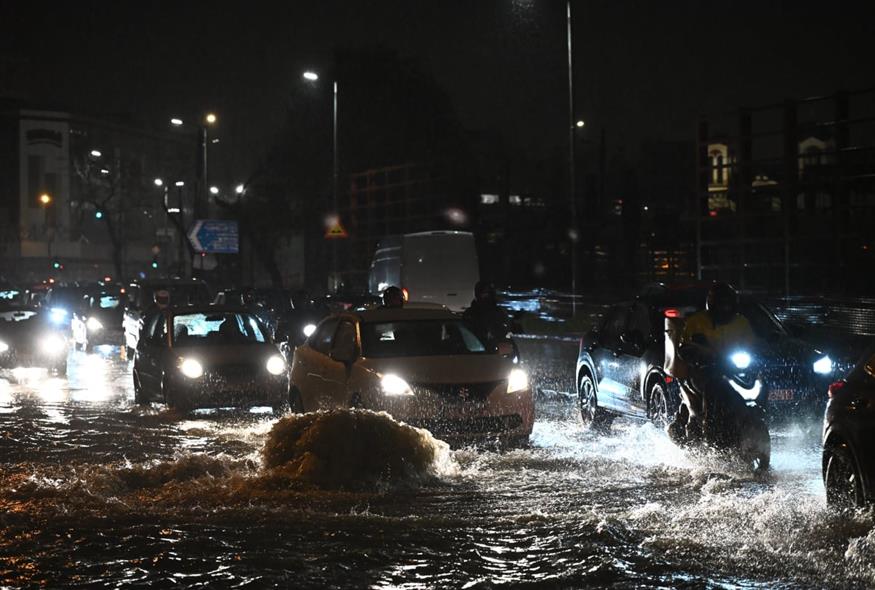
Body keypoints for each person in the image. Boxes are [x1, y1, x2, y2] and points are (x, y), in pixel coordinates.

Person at [672, 282, 756, 443]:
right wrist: (698, 353)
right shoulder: (696, 321)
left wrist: (763, 351)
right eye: (721, 304)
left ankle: (755, 416)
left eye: (728, 304)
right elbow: (685, 347)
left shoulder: (741, 322)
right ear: (712, 304)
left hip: (733, 370)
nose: (725, 308)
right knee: (714, 388)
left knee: (758, 383)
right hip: (704, 371)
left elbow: (752, 345)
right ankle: (710, 427)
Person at [463, 281, 511, 349]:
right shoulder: (470, 313)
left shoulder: (499, 312)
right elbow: (466, 332)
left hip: (496, 348)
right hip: (476, 348)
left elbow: (506, 329)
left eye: (488, 293)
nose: (486, 296)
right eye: (484, 293)